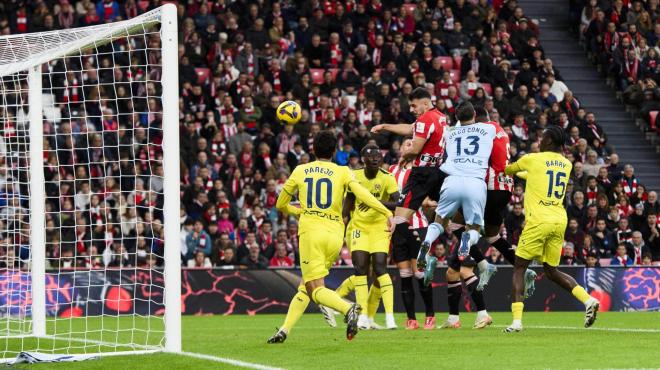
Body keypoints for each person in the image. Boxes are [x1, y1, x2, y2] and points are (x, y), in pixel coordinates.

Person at [268, 130, 393, 344]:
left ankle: (348, 308)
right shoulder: (342, 171)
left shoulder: (300, 170)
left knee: (313, 287)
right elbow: (362, 194)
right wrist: (387, 212)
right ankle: (284, 330)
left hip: (311, 233)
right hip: (335, 235)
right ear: (334, 152)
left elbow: (280, 204)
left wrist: (298, 211)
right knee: (306, 287)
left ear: (313, 150)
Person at [503, 126, 600, 333]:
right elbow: (538, 177)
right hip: (559, 220)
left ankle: (517, 321)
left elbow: (507, 169)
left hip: (538, 220)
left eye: (542, 136)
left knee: (520, 267)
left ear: (548, 141)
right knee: (551, 270)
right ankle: (588, 299)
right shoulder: (566, 164)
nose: (540, 139)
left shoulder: (532, 158)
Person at [417, 102, 495, 329]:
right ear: (475, 114)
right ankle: (466, 241)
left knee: (440, 221)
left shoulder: (450, 132)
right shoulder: (488, 128)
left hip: (451, 180)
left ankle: (427, 241)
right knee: (474, 229)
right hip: (475, 182)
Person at [370, 87, 448, 274]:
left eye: (414, 105)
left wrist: (405, 154)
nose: (412, 109)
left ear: (424, 102)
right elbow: (410, 129)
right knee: (448, 214)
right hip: (438, 170)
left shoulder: (424, 119)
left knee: (398, 220)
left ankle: (423, 253)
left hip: (421, 174)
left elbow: (415, 147)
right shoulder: (440, 117)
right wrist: (385, 126)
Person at [330, 144, 400, 330]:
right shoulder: (355, 176)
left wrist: (375, 203)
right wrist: (339, 224)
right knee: (361, 269)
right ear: (363, 160)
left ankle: (388, 317)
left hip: (379, 228)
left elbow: (397, 202)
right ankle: (362, 316)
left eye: (378, 156)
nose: (376, 159)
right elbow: (348, 203)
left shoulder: (387, 178)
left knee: (378, 269)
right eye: (371, 157)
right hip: (358, 228)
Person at [389, 138, 436, 330]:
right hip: (397, 228)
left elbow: (427, 197)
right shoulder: (390, 171)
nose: (409, 146)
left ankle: (430, 316)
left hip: (417, 226)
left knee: (420, 274)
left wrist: (426, 201)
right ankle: (411, 319)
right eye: (406, 144)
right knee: (405, 274)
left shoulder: (419, 171)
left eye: (412, 144)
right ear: (400, 149)